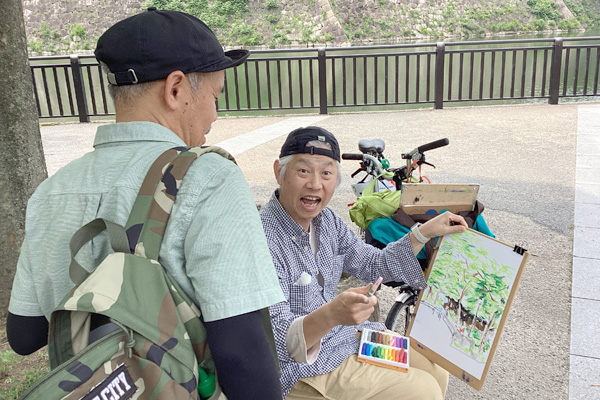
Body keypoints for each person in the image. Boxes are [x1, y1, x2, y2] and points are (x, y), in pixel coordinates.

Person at [7, 8, 285, 400]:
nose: (215, 115)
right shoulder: (208, 179)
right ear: (175, 89)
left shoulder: (51, 192)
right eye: (214, 95)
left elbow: (24, 334)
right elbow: (243, 352)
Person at [260, 126, 469, 399]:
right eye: (303, 171)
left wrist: (423, 232)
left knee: (434, 366)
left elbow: (373, 264)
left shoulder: (328, 222)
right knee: (421, 390)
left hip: (347, 337)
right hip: (302, 368)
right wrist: (331, 314)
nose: (315, 184)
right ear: (279, 172)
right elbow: (273, 340)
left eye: (326, 173)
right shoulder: (261, 239)